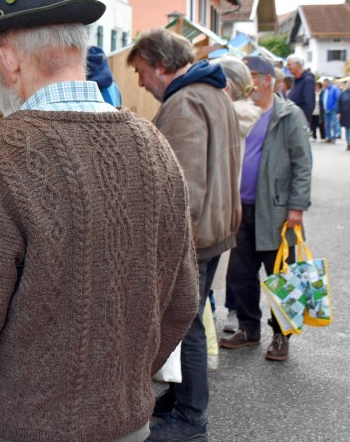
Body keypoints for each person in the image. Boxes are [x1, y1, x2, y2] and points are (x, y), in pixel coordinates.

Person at [0, 0, 198, 442]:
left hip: (18, 429)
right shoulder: (154, 147)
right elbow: (182, 302)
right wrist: (117, 388)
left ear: (6, 57)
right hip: (128, 426)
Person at [127, 28, 241, 442]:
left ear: (161, 65)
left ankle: (191, 418)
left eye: (141, 72)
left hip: (195, 236)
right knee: (185, 320)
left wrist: (163, 244)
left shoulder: (185, 101)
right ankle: (178, 399)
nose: (140, 81)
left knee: (186, 323)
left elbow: (184, 189)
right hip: (216, 227)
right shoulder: (212, 92)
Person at [219, 56, 312, 361]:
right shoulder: (238, 111)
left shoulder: (288, 115)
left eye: (254, 74)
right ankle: (248, 329)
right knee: (241, 274)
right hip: (241, 209)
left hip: (275, 211)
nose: (249, 79)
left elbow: (302, 164)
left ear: (269, 79)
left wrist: (297, 206)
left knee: (281, 277)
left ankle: (281, 336)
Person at [212, 56, 263, 335]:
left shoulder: (234, 116)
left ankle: (238, 314)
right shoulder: (243, 113)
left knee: (241, 263)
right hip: (235, 199)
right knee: (236, 264)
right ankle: (236, 315)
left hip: (244, 200)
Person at [286, 54, 316, 124]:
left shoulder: (307, 80)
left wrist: (301, 121)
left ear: (297, 64)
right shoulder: (297, 80)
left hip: (299, 123)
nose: (287, 67)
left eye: (289, 65)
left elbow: (309, 105)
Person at [320, 76, 341, 143]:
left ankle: (334, 137)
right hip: (326, 109)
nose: (323, 85)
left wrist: (335, 107)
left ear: (327, 83)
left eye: (324, 83)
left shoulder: (334, 89)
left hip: (332, 109)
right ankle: (328, 137)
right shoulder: (325, 90)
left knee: (333, 124)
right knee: (327, 124)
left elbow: (338, 99)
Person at [340, 81, 350, 150]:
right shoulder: (343, 93)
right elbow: (339, 102)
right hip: (346, 114)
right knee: (347, 129)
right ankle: (348, 143)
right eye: (348, 83)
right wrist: (338, 112)